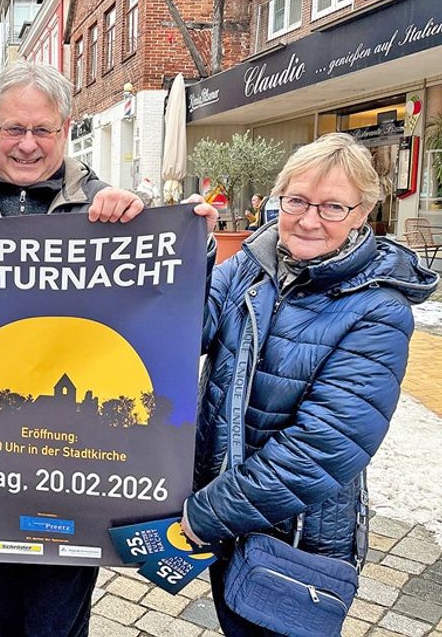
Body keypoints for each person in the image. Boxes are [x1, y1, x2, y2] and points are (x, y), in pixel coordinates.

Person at [0, 59, 216, 637]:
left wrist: (191, 242)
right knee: (1, 606)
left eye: (43, 130)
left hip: (80, 476)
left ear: (66, 129)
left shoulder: (114, 208)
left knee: (54, 618)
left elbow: (170, 308)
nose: (28, 145)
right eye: (14, 129)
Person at [180, 132, 438, 636]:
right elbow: (186, 330)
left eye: (333, 206)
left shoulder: (378, 310)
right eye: (296, 200)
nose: (309, 218)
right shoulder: (255, 264)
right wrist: (192, 250)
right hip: (225, 513)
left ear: (363, 213)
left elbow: (323, 448)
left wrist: (205, 514)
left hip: (292, 538)